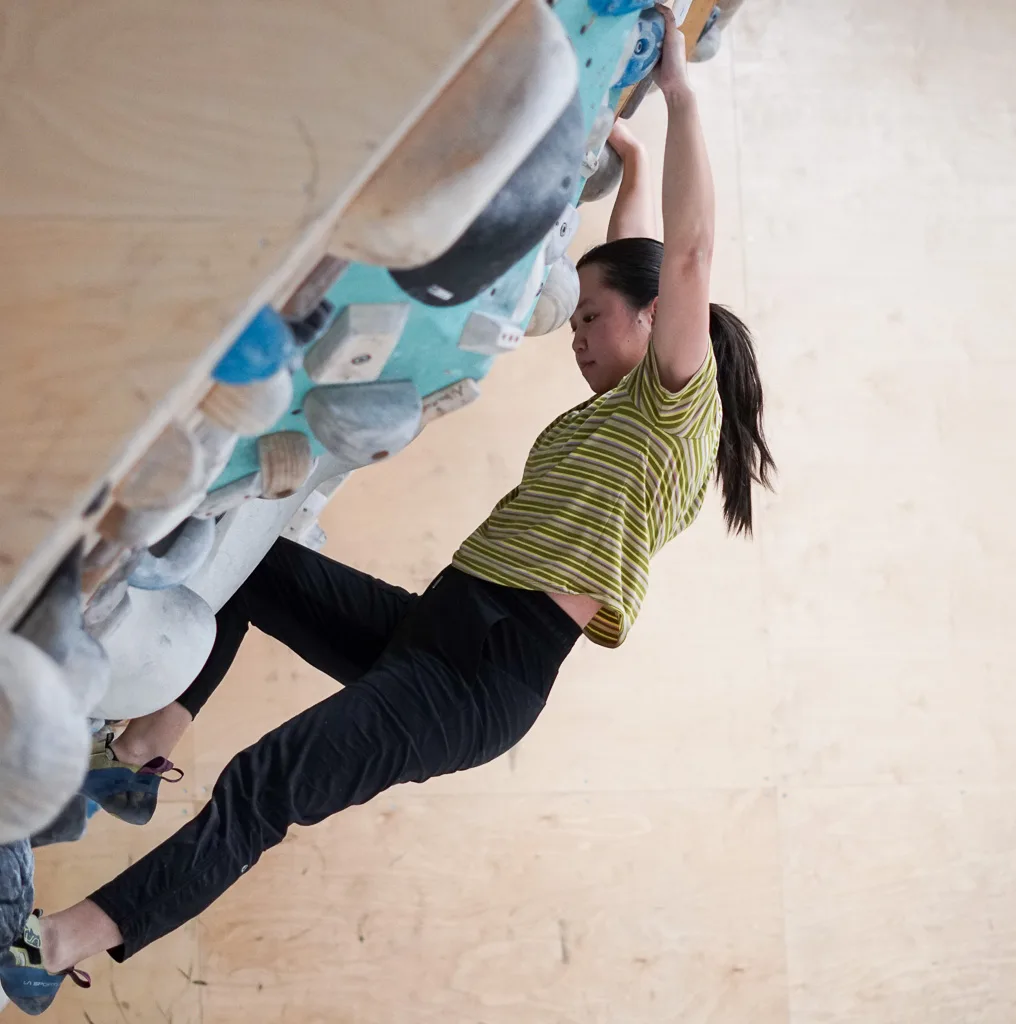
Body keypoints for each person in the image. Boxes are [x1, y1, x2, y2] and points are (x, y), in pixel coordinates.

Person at [0, 9, 774, 1011]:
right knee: (251, 559)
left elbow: (685, 258)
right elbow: (641, 258)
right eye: (576, 316)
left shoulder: (676, 410)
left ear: (656, 321)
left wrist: (681, 97)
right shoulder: (627, 408)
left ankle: (52, 944)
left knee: (269, 784)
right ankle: (143, 750)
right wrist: (626, 154)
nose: (577, 337)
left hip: (483, 673)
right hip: (443, 625)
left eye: (590, 319)